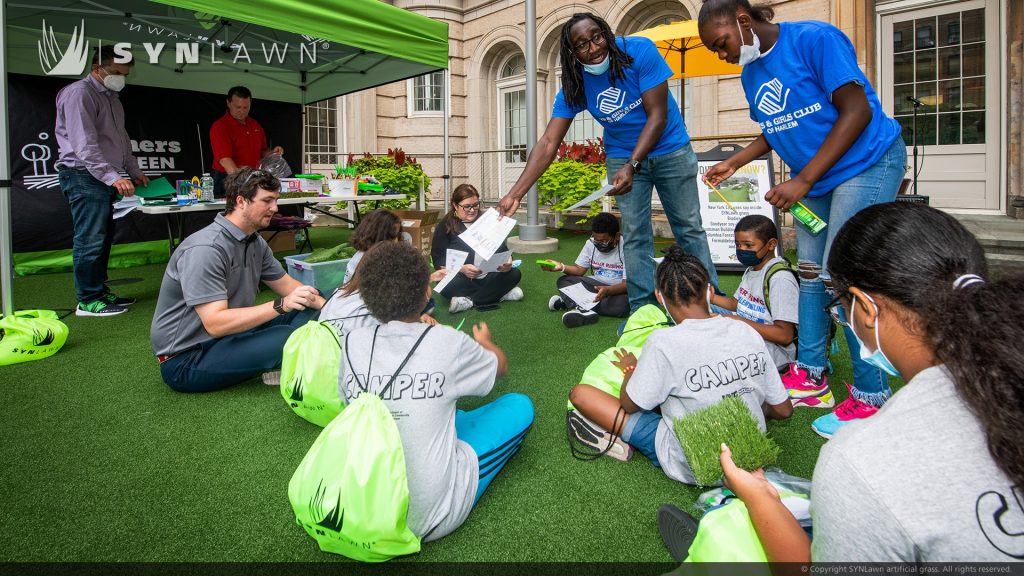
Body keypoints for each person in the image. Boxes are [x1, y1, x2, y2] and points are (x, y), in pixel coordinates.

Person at [698, 202, 1024, 562]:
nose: (839, 315)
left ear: (866, 308)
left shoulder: (860, 458)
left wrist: (759, 497)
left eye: (837, 303)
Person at [698, 0, 908, 438]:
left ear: (742, 20)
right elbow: (776, 127)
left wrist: (803, 180)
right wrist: (735, 161)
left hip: (865, 164)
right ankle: (812, 373)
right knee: (811, 274)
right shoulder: (752, 72)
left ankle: (872, 395)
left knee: (843, 276)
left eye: (721, 44)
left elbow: (857, 111)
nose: (723, 56)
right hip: (815, 183)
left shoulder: (815, 39)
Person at [496, 12, 719, 314]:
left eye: (597, 36)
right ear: (572, 53)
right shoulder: (575, 85)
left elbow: (658, 115)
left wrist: (633, 164)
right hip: (621, 156)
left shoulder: (639, 51)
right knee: (636, 236)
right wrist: (516, 193)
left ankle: (712, 304)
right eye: (582, 44)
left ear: (607, 33)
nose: (594, 47)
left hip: (670, 150)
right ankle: (643, 312)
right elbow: (549, 143)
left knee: (689, 228)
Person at [338, 241, 535, 542]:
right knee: (520, 406)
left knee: (442, 410)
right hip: (428, 518)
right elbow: (499, 367)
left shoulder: (351, 341)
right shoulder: (446, 341)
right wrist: (485, 342)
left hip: (356, 507)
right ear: (427, 292)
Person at [567, 245, 792, 484]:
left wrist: (630, 369)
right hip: (750, 457)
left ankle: (623, 439)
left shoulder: (662, 342)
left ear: (659, 296)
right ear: (708, 291)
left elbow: (629, 404)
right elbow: (783, 410)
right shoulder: (746, 331)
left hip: (692, 466)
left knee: (581, 395)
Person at [150, 168, 325, 393]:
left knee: (310, 296)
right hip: (186, 358)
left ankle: (283, 358)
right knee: (290, 337)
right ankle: (286, 358)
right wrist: (281, 305)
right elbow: (215, 324)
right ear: (241, 201)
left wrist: (334, 310)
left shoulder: (254, 241)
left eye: (276, 200)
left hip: (231, 336)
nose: (275, 208)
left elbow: (292, 288)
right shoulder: (206, 249)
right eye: (267, 200)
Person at [55, 46, 150, 317]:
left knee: (103, 237)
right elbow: (85, 145)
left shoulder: (112, 97)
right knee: (90, 238)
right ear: (98, 69)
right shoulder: (79, 94)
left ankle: (99, 290)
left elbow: (121, 139)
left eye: (125, 74)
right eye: (117, 72)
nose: (122, 78)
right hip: (83, 175)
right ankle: (87, 299)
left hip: (103, 177)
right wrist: (113, 177)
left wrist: (133, 170)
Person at [709, 216, 806, 397]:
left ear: (771, 244)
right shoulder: (752, 269)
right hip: (748, 336)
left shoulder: (780, 278)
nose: (741, 250)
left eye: (748, 245)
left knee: (711, 353)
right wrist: (709, 297)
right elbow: (736, 304)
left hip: (773, 351)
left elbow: (785, 336)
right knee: (704, 312)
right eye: (738, 245)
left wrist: (736, 321)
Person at [432, 184, 523, 313]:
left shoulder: (488, 221)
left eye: (475, 205)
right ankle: (500, 294)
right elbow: (439, 260)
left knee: (515, 274)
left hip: (489, 275)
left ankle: (468, 301)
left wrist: (508, 262)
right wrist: (462, 269)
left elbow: (503, 249)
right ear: (455, 205)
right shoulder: (445, 226)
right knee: (444, 284)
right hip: (462, 277)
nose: (472, 210)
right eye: (467, 206)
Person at [541, 212, 628, 328]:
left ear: (617, 236)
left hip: (616, 291)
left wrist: (608, 291)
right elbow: (579, 270)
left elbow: (628, 284)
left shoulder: (627, 247)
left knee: (623, 305)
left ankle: (571, 303)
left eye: (604, 241)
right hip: (595, 287)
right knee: (564, 281)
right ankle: (583, 309)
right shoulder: (591, 244)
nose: (599, 245)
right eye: (596, 240)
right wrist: (561, 267)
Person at [209, 86, 285, 196]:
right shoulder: (220, 127)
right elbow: (225, 160)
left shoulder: (255, 124)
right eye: (238, 107)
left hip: (252, 177)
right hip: (227, 178)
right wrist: (242, 182)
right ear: (228, 103)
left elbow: (262, 150)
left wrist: (273, 153)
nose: (242, 111)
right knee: (231, 211)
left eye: (246, 107)